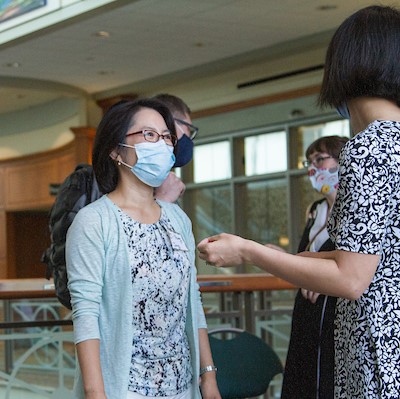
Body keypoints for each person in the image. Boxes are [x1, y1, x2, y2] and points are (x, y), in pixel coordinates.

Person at [198, 5, 400, 398]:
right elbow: (376, 258)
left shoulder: (369, 148)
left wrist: (247, 250)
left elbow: (351, 278)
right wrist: (294, 259)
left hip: (379, 347)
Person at [66, 98, 220, 399]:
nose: (162, 145)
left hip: (182, 386)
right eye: (149, 135)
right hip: (126, 389)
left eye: (166, 137)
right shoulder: (94, 221)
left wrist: (208, 377)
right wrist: (96, 393)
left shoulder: (178, 218)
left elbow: (193, 302)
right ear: (115, 149)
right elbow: (86, 314)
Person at [281, 135, 348, 399]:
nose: (314, 168)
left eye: (320, 159)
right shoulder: (315, 210)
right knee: (303, 377)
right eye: (309, 162)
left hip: (336, 310)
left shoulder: (355, 208)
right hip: (307, 310)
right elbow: (306, 257)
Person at [153, 94, 199, 203]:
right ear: (169, 123)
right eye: (188, 128)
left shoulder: (164, 183)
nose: (189, 137)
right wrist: (164, 199)